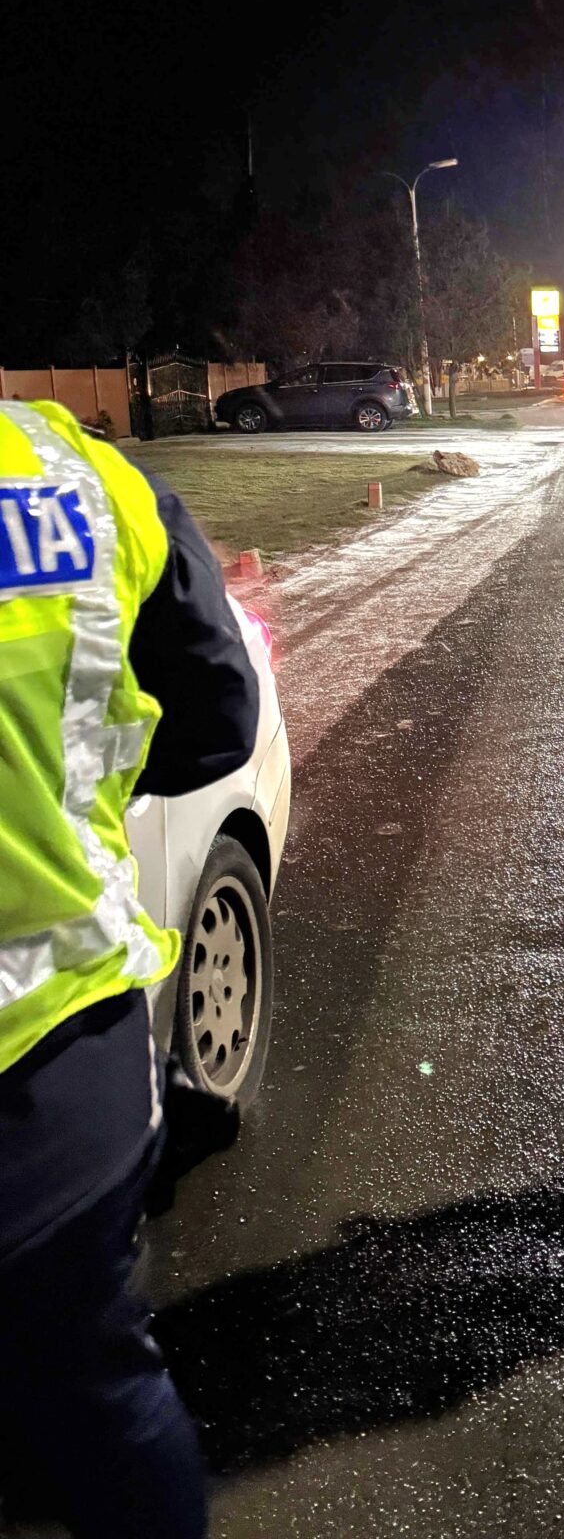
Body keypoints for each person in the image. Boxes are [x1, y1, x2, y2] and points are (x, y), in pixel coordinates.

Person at [0, 398, 260, 1538]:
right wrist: (81, 789)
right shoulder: (87, 475)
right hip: (63, 1049)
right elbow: (218, 717)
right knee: (94, 1384)